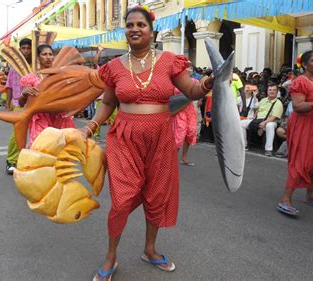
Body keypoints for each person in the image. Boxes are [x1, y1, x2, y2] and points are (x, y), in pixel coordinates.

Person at [82, 5, 214, 281]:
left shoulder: (168, 61)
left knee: (156, 195)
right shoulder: (114, 67)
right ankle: (111, 256)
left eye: (140, 24)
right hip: (125, 138)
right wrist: (92, 125)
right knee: (121, 200)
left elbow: (189, 90)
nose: (134, 29)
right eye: (129, 25)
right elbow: (108, 103)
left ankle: (150, 249)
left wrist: (205, 85)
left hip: (161, 138)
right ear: (125, 31)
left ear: (150, 30)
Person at [276, 51, 313, 216]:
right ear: (305, 64)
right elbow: (297, 106)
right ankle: (285, 200)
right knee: (301, 162)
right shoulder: (300, 81)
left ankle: (311, 196)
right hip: (304, 127)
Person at [20, 44, 75, 147]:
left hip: (61, 118)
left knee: (62, 152)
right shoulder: (30, 78)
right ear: (38, 57)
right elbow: (22, 103)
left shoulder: (62, 76)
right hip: (40, 119)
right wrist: (24, 94)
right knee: (41, 149)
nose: (48, 57)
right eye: (44, 54)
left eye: (50, 54)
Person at [5, 38, 31, 175]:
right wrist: (7, 104)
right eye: (24, 48)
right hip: (18, 104)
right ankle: (11, 160)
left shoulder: (37, 66)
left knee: (37, 133)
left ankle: (31, 161)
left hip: (36, 104)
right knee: (17, 135)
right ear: (20, 50)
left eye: (28, 48)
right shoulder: (14, 67)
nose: (26, 51)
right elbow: (9, 86)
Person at [246, 83, 283, 156]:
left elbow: (274, 117)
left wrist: (264, 123)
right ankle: (244, 145)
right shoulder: (263, 100)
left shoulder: (278, 103)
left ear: (277, 92)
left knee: (269, 125)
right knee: (241, 124)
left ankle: (268, 149)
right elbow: (257, 109)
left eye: (274, 90)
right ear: (267, 91)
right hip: (259, 120)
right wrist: (254, 116)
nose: (271, 91)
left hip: (271, 121)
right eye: (270, 90)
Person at [172, 78, 198, 166]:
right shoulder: (173, 81)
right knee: (179, 133)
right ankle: (172, 158)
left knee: (191, 131)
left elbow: (198, 92)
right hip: (179, 110)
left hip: (189, 110)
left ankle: (184, 157)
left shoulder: (193, 81)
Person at [238, 82, 259, 150]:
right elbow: (236, 108)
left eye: (249, 88)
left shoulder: (254, 99)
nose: (247, 89)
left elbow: (256, 108)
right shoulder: (239, 98)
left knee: (241, 124)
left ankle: (244, 145)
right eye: (246, 87)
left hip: (249, 119)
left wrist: (255, 95)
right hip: (239, 117)